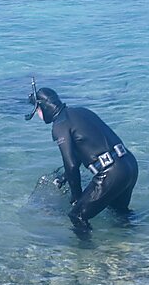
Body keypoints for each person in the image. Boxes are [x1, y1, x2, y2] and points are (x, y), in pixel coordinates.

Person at [25, 80, 138, 233]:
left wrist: (76, 196)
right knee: (119, 212)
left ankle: (86, 254)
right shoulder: (81, 111)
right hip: (129, 164)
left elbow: (70, 164)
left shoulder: (60, 125)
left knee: (77, 216)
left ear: (43, 107)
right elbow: (86, 145)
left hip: (112, 173)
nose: (38, 114)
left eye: (37, 110)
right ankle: (134, 244)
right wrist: (65, 177)